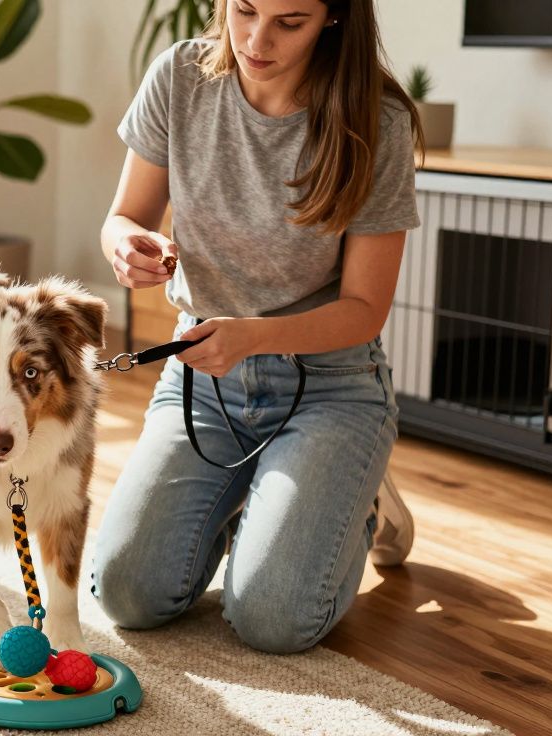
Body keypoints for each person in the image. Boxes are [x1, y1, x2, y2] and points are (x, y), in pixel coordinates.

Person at [91, 0, 420, 654]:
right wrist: (126, 245)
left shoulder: (377, 122)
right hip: (205, 378)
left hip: (330, 385)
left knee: (274, 618)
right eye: (243, 9)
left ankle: (357, 498)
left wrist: (255, 336)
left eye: (289, 22)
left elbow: (365, 308)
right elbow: (123, 216)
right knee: (127, 594)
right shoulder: (179, 76)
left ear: (333, 16)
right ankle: (276, 495)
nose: (256, 39)